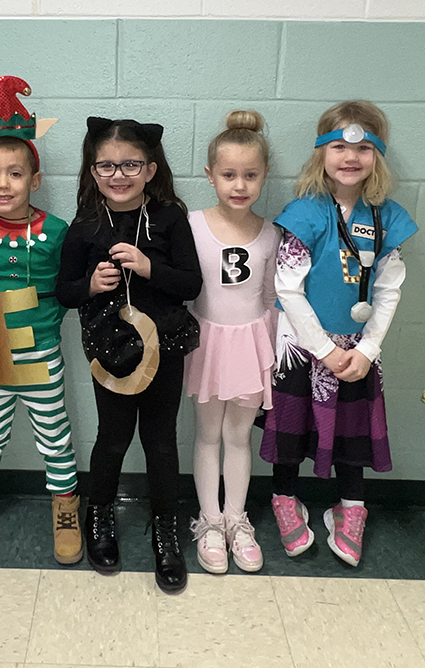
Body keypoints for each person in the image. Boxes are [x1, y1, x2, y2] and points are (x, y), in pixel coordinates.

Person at [258, 101, 418, 567]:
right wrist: (325, 350)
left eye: (364, 148)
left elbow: (388, 291)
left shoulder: (387, 218)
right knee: (290, 432)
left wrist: (366, 349)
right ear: (321, 153)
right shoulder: (304, 214)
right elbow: (288, 289)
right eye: (340, 148)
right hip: (303, 348)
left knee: (351, 432)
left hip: (357, 352)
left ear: (377, 156)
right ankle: (284, 498)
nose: (351, 157)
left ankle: (350, 507)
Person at [56, 117, 202, 592]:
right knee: (113, 437)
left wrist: (148, 267)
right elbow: (63, 292)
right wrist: (90, 285)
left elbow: (191, 284)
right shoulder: (85, 225)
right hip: (110, 351)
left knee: (161, 441)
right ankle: (99, 515)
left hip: (165, 347)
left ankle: (165, 529)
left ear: (150, 169)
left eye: (130, 165)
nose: (118, 175)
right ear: (93, 170)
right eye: (107, 166)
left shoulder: (170, 218)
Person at [0, 76, 82, 565]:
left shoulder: (57, 231)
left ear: (34, 180)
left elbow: (67, 289)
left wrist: (45, 316)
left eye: (15, 174)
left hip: (42, 350)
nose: (3, 184)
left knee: (54, 433)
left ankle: (65, 508)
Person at [185, 111, 279, 574]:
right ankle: (209, 521)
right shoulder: (191, 224)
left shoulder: (271, 233)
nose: (239, 185)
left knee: (238, 436)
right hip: (206, 342)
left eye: (250, 175)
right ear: (210, 175)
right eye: (228, 175)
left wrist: (271, 352)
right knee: (207, 434)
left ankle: (237, 520)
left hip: (251, 345)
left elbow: (271, 298)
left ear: (264, 176)